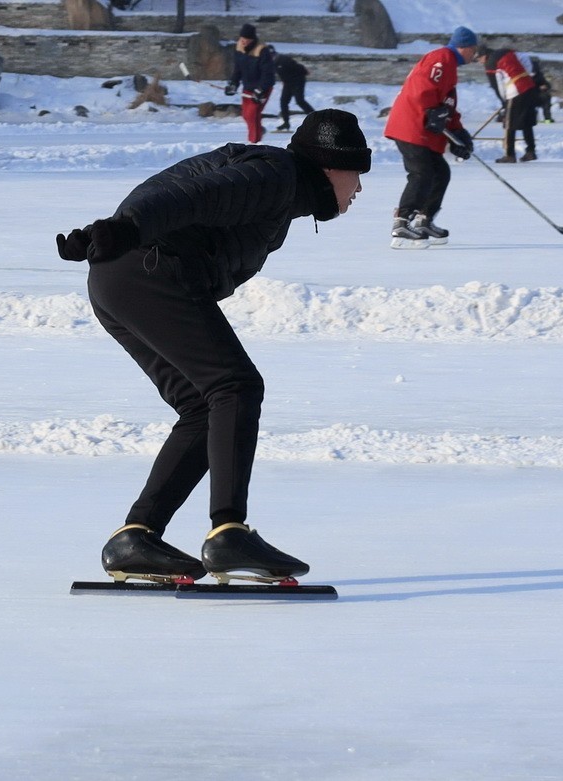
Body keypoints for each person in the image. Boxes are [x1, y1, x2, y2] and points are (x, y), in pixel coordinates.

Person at [54, 110, 371, 584]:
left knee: (204, 406)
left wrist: (120, 234)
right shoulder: (276, 175)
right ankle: (228, 531)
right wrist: (125, 229)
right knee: (236, 387)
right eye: (358, 174)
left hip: (121, 278)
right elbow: (193, 196)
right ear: (331, 166)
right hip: (148, 268)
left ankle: (135, 537)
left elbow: (190, 196)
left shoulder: (278, 186)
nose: (360, 189)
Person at [383, 25, 479, 249]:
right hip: (411, 125)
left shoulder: (450, 65)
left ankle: (424, 220)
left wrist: (459, 134)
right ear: (464, 47)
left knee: (440, 173)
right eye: (473, 50)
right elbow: (422, 88)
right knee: (421, 173)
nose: (474, 55)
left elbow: (446, 105)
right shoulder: (441, 57)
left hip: (422, 129)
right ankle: (402, 222)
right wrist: (430, 111)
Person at [477, 46, 540, 163]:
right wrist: (526, 74)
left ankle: (509, 154)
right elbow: (526, 60)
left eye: (479, 59)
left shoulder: (490, 64)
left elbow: (497, 85)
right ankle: (531, 151)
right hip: (530, 86)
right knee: (527, 122)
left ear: (484, 56)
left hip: (515, 90)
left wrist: (504, 101)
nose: (480, 62)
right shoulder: (507, 51)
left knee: (509, 123)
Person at [224, 23, 276, 144]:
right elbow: (237, 70)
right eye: (242, 39)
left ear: (252, 39)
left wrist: (261, 89)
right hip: (247, 88)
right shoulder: (239, 49)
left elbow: (268, 74)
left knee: (253, 115)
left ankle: (254, 143)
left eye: (246, 39)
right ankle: (259, 130)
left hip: (263, 88)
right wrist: (233, 84)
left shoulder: (262, 50)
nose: (243, 42)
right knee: (246, 115)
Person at [273, 51, 314, 131]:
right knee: (283, 102)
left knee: (300, 101)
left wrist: (304, 73)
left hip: (298, 81)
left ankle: (317, 119)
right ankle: (286, 123)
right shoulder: (272, 63)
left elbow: (300, 68)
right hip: (287, 83)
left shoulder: (284, 60)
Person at [532, 57, 554, 123]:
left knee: (546, 99)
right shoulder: (526, 75)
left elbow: (546, 84)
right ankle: (533, 119)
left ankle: (547, 119)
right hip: (531, 95)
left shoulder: (540, 75)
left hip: (540, 95)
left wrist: (545, 86)